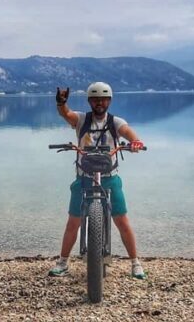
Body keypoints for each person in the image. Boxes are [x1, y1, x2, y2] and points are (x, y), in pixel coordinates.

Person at [48, 81, 147, 279]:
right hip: (84, 177)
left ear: (109, 101)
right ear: (89, 101)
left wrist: (135, 141)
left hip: (110, 177)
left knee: (122, 220)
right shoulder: (82, 119)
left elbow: (127, 131)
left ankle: (135, 263)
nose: (99, 103)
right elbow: (66, 114)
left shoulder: (115, 122)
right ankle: (63, 262)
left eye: (102, 99)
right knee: (73, 222)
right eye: (95, 99)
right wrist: (61, 104)